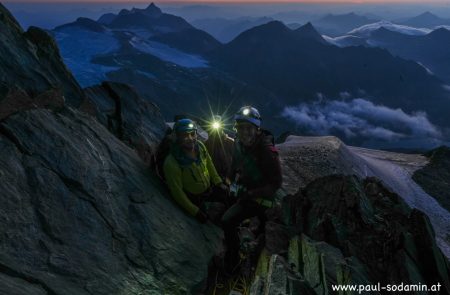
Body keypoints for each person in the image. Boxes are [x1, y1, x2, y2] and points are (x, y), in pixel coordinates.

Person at [221, 106, 282, 273]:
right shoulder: (238, 144)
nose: (244, 132)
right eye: (241, 127)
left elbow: (276, 184)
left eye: (249, 128)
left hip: (262, 198)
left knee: (227, 221)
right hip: (246, 192)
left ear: (257, 129)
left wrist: (250, 194)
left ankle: (232, 260)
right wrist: (229, 180)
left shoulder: (267, 151)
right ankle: (251, 234)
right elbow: (234, 165)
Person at [163, 118, 228, 223]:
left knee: (228, 197)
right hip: (193, 198)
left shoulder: (200, 147)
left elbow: (209, 163)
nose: (190, 138)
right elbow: (177, 192)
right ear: (177, 137)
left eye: (192, 134)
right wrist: (195, 211)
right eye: (184, 135)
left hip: (208, 189)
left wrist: (218, 182)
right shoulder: (172, 163)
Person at [204, 115, 234, 182]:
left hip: (229, 178)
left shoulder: (231, 142)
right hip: (213, 179)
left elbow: (238, 160)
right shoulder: (206, 144)